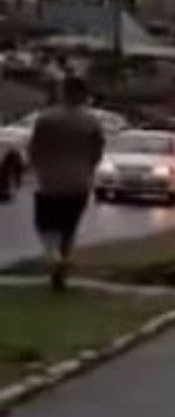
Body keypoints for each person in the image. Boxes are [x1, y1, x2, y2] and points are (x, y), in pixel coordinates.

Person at [28, 76, 105, 291]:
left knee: (45, 224)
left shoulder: (46, 119)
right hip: (79, 183)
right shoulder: (92, 122)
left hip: (50, 182)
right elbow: (97, 152)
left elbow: (35, 148)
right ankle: (61, 271)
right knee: (68, 227)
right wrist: (87, 169)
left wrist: (38, 168)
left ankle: (54, 256)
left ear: (64, 92)